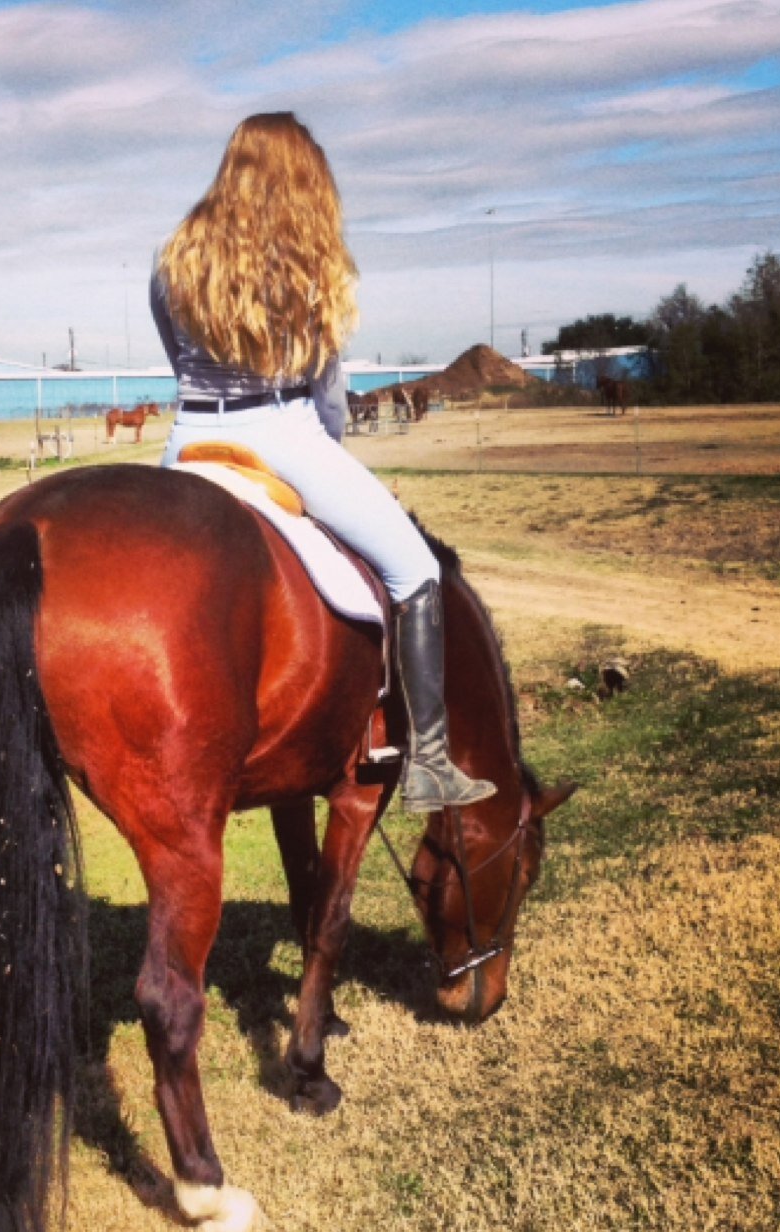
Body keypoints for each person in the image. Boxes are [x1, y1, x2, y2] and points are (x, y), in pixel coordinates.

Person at [151, 111, 495, 813]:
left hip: (187, 439)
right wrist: (327, 452)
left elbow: (175, 359)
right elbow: (327, 394)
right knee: (416, 569)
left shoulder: (174, 262)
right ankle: (428, 762)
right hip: (284, 434)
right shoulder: (311, 272)